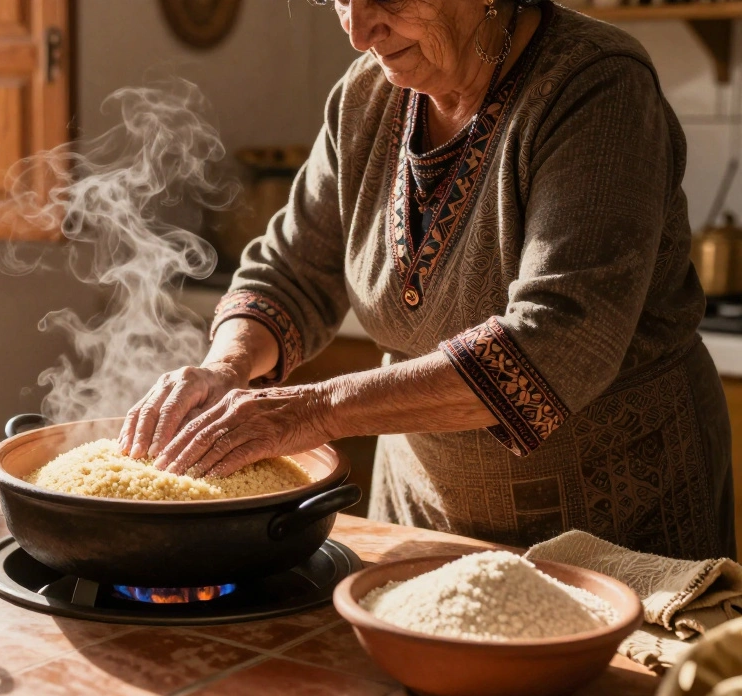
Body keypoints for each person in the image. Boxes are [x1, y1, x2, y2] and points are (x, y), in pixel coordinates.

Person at [121, 0, 734, 559]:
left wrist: (312, 409)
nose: (360, 32)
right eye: (339, 0)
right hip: (423, 516)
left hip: (612, 523)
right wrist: (226, 366)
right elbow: (288, 269)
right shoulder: (365, 98)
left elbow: (559, 342)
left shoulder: (596, 84)